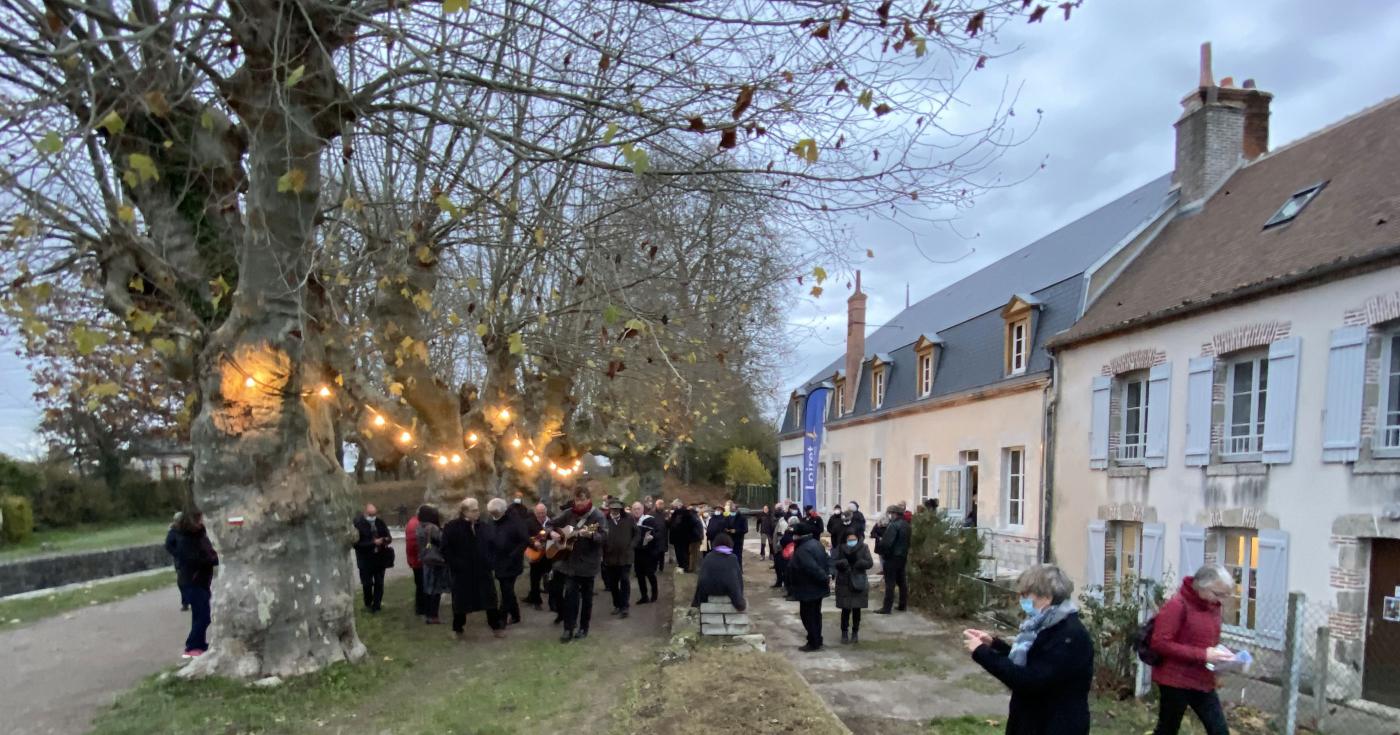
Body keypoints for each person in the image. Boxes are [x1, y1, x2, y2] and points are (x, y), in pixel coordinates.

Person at [963, 565, 1093, 735]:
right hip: (1033, 721)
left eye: (1026, 595)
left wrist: (982, 652)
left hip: (1055, 725)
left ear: (1046, 597)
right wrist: (994, 645)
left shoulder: (1069, 636)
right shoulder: (1045, 625)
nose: (1022, 600)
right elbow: (1033, 659)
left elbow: (1029, 680)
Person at [1149, 565, 1237, 735]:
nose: (1221, 600)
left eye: (1225, 595)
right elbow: (1160, 643)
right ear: (1201, 587)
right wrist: (1203, 655)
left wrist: (1219, 664)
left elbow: (1210, 640)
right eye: (1218, 594)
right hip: (1175, 680)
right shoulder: (1177, 605)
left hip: (1202, 679)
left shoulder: (1213, 607)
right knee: (1168, 729)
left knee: (1219, 730)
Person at [441, 498, 504, 639]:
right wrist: (456, 565)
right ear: (464, 511)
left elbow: (494, 545)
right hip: (462, 573)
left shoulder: (484, 527)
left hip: (482, 571)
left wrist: (490, 562)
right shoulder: (452, 527)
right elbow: (446, 550)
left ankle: (496, 627)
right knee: (460, 602)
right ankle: (457, 628)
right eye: (474, 510)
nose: (477, 512)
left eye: (477, 509)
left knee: (490, 600)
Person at [550, 487, 607, 642]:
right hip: (570, 563)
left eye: (582, 499)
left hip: (589, 564)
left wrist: (590, 535)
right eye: (577, 499)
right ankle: (568, 629)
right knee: (570, 597)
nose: (579, 503)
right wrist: (553, 533)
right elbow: (550, 523)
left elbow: (603, 537)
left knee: (587, 599)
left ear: (588, 499)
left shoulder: (598, 516)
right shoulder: (569, 513)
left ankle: (583, 627)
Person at [172, 510, 218, 658]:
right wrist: (213, 559)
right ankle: (192, 646)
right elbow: (196, 560)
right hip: (193, 581)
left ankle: (199, 643)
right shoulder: (186, 540)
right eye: (199, 520)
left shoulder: (198, 536)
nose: (202, 522)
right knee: (204, 616)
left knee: (200, 615)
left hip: (201, 581)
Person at [788, 519, 833, 652]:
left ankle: (813, 641)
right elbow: (826, 560)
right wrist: (827, 576)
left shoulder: (803, 549)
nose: (793, 537)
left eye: (794, 534)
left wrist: (825, 578)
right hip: (816, 588)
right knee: (816, 614)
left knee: (808, 615)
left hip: (808, 588)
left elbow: (811, 568)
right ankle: (817, 639)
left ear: (799, 535)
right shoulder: (816, 543)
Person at [484, 497, 528, 626]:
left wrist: (513, 555)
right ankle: (515, 615)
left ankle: (502, 617)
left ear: (503, 511)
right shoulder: (491, 521)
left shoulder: (515, 522)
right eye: (492, 514)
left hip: (512, 561)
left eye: (496, 514)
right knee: (506, 589)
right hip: (498, 560)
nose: (494, 516)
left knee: (506, 589)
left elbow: (524, 540)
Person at [833, 531, 873, 644]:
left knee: (857, 609)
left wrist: (860, 563)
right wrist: (843, 563)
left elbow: (869, 563)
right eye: (849, 539)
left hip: (858, 581)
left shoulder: (864, 548)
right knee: (845, 609)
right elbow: (834, 561)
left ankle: (855, 632)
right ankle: (844, 632)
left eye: (853, 539)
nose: (851, 541)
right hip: (844, 581)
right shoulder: (841, 548)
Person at [352, 503, 392, 613]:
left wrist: (385, 540)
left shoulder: (380, 523)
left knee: (379, 583)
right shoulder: (358, 524)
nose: (373, 516)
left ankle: (377, 605)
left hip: (379, 558)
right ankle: (368, 603)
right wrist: (373, 543)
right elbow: (356, 545)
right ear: (365, 513)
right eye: (370, 514)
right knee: (367, 584)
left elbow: (389, 537)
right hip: (365, 559)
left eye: (374, 514)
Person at [690, 532, 745, 610]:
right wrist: (740, 601)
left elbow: (701, 578)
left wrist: (696, 602)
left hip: (708, 589)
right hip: (726, 589)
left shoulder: (708, 557)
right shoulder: (732, 558)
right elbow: (737, 581)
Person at [601, 498, 637, 618]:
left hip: (625, 557)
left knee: (625, 580)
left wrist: (631, 545)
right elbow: (593, 531)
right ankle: (617, 605)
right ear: (609, 509)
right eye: (613, 509)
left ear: (621, 509)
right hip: (610, 557)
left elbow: (637, 534)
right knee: (613, 584)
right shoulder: (603, 520)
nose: (615, 511)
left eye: (617, 509)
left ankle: (625, 607)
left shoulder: (629, 519)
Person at [874, 504, 910, 614]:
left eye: (891, 513)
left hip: (892, 557)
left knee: (890, 582)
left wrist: (880, 550)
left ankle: (886, 607)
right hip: (902, 556)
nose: (890, 515)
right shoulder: (906, 525)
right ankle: (902, 605)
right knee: (902, 581)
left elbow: (887, 542)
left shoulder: (893, 526)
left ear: (895, 514)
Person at [417, 505, 447, 625]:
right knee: (436, 589)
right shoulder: (432, 528)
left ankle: (428, 614)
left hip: (426, 559)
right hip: (436, 560)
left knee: (428, 587)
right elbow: (443, 540)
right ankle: (434, 616)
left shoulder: (419, 527)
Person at [633, 501, 665, 605]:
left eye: (638, 509)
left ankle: (654, 594)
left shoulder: (649, 520)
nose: (636, 511)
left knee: (650, 574)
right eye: (634, 509)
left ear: (642, 510)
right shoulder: (630, 521)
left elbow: (659, 532)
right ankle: (644, 596)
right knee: (640, 575)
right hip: (637, 552)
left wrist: (653, 537)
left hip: (649, 552)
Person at [523, 502, 551, 610]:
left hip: (549, 553)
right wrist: (534, 544)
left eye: (543, 513)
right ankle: (536, 601)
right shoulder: (529, 523)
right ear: (535, 513)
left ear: (546, 512)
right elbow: (525, 537)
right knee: (534, 579)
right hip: (535, 554)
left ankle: (553, 601)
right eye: (539, 513)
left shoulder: (551, 523)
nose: (541, 515)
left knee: (551, 576)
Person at [707, 500, 749, 567]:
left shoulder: (742, 518)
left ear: (734, 507)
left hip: (738, 540)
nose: (727, 507)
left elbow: (745, 529)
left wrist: (736, 531)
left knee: (737, 555)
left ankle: (738, 569)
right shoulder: (726, 517)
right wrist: (726, 529)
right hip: (729, 540)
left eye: (728, 505)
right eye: (727, 505)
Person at [165, 511, 189, 611]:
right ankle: (185, 602)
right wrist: (177, 553)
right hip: (180, 561)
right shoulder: (173, 532)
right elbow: (168, 545)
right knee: (182, 582)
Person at [406, 505, 425, 616]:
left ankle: (420, 607)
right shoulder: (416, 525)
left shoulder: (412, 522)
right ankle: (420, 608)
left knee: (420, 584)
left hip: (415, 559)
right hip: (419, 560)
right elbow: (417, 544)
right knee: (421, 585)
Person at [667, 499, 693, 572]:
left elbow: (676, 524)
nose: (673, 507)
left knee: (682, 552)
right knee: (682, 552)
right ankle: (682, 565)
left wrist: (670, 521)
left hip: (681, 537)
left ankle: (683, 566)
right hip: (681, 537)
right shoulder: (681, 513)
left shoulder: (682, 513)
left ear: (679, 505)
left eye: (674, 506)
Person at [771, 510, 792, 589]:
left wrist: (778, 546)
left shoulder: (783, 523)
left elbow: (783, 537)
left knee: (781, 567)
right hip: (778, 548)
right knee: (778, 567)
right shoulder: (780, 522)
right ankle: (780, 582)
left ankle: (783, 583)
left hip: (781, 549)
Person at [650, 499, 670, 573]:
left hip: (663, 536)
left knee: (662, 553)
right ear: (656, 505)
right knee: (655, 553)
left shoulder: (665, 513)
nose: (661, 505)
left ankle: (661, 568)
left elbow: (668, 525)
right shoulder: (652, 513)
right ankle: (654, 567)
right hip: (655, 536)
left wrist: (668, 521)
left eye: (662, 504)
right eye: (659, 504)